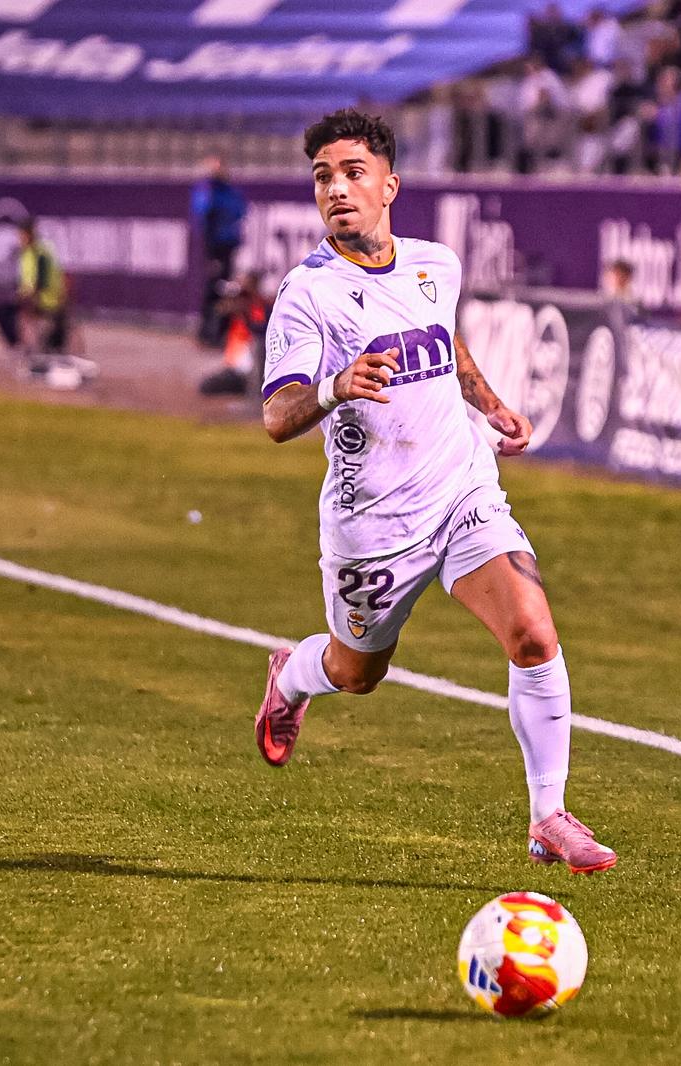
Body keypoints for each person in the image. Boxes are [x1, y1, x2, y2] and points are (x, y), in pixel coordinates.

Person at [254, 108, 617, 876]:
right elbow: (277, 416)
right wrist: (334, 386)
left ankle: (547, 814)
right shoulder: (307, 295)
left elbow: (443, 339)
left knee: (534, 632)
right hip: (373, 524)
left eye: (353, 173)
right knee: (359, 674)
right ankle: (291, 677)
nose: (337, 189)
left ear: (390, 183)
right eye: (323, 177)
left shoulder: (434, 264)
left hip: (460, 489)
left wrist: (487, 403)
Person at [0, 219, 69, 378]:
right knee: (1, 311)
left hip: (47, 302)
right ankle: (19, 347)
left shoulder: (42, 253)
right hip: (33, 300)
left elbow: (42, 283)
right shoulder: (26, 253)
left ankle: (38, 349)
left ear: (28, 234)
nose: (19, 238)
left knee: (11, 311)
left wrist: (26, 296)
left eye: (21, 235)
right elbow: (26, 281)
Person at [190, 157, 247, 347]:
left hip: (228, 246)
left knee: (225, 289)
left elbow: (240, 211)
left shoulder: (229, 192)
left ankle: (220, 333)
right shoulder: (208, 191)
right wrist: (210, 251)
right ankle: (207, 332)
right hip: (215, 247)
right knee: (213, 289)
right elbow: (203, 215)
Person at [199, 271, 268, 397]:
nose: (233, 301)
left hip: (248, 372)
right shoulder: (234, 317)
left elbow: (259, 329)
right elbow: (222, 308)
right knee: (207, 383)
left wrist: (245, 310)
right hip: (234, 366)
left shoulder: (258, 310)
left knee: (209, 385)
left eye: (238, 298)